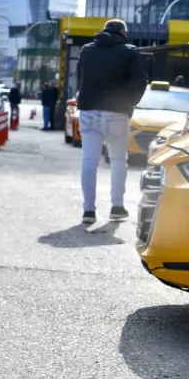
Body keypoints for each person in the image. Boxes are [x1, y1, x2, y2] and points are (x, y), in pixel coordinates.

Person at [75, 18, 148, 225]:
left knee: (89, 160)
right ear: (124, 33)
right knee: (118, 160)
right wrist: (130, 103)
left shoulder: (87, 50)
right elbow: (141, 81)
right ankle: (117, 207)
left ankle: (88, 210)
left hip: (88, 110)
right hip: (117, 112)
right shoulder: (130, 51)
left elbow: (80, 76)